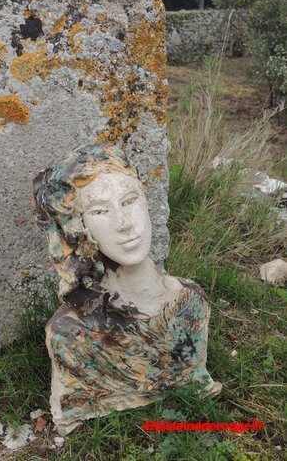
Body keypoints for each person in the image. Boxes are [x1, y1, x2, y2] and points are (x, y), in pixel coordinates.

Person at [33, 143, 221, 434]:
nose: (123, 224)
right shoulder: (71, 336)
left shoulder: (190, 302)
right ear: (81, 228)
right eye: (100, 211)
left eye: (130, 201)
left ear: (146, 202)